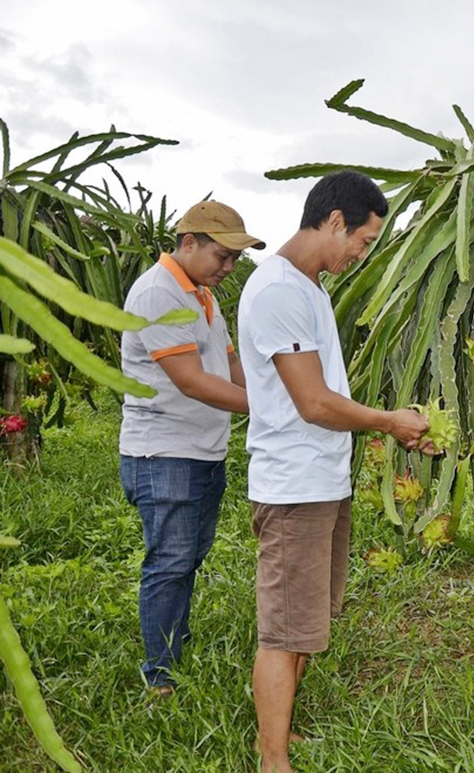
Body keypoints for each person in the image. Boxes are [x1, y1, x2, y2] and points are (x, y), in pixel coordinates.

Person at [237, 170, 434, 772]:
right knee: (282, 631)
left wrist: (390, 424)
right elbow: (314, 403)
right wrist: (387, 422)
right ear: (334, 221)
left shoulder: (310, 287)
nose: (362, 253)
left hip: (320, 480)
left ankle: (279, 733)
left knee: (306, 623)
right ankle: (274, 761)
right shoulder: (278, 291)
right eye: (365, 240)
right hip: (294, 487)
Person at [119, 200, 264, 693]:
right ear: (188, 243)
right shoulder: (159, 294)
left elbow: (229, 367)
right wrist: (272, 411)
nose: (228, 268)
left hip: (201, 449)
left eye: (234, 260)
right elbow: (192, 381)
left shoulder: (202, 295)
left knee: (188, 557)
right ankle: (160, 676)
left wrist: (275, 397)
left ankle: (171, 648)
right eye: (221, 256)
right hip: (164, 453)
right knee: (171, 562)